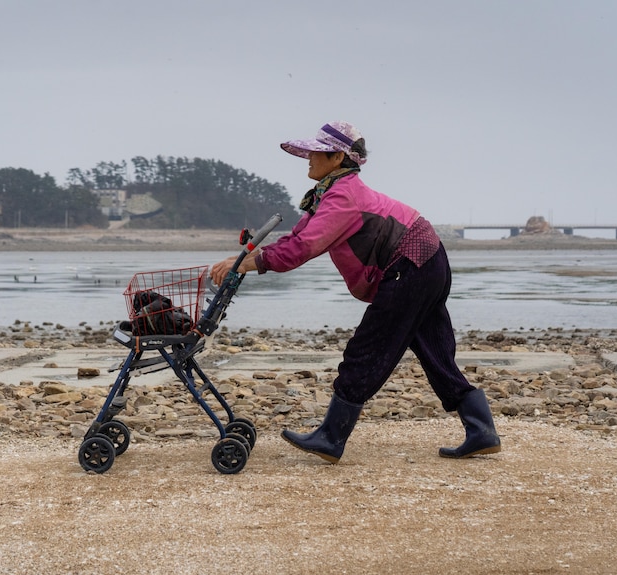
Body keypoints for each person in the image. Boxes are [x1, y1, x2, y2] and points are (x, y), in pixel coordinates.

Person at [210, 121, 501, 463]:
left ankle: (331, 437)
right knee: (433, 348)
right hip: (429, 259)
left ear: (336, 158)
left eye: (316, 153)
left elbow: (304, 247)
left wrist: (252, 265)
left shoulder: (342, 196)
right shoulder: (332, 193)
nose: (308, 159)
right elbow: (296, 237)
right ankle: (481, 430)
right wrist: (245, 257)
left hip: (410, 265)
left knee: (367, 349)